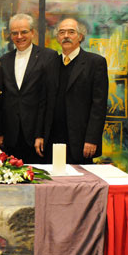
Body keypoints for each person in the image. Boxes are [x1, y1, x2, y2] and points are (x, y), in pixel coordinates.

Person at [35, 18, 108, 164]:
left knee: (81, 184)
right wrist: (39, 135)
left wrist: (92, 139)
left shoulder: (95, 63)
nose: (66, 36)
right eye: (61, 32)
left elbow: (98, 106)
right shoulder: (50, 64)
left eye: (71, 32)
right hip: (52, 140)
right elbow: (43, 103)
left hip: (81, 141)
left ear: (80, 36)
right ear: (57, 38)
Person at [0, 14, 57, 164]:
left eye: (23, 32)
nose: (19, 36)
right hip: (11, 136)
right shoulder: (4, 60)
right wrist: (0, 132)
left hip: (36, 137)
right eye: (15, 33)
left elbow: (48, 99)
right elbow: (1, 99)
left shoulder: (48, 57)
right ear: (10, 35)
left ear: (32, 33)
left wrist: (41, 134)